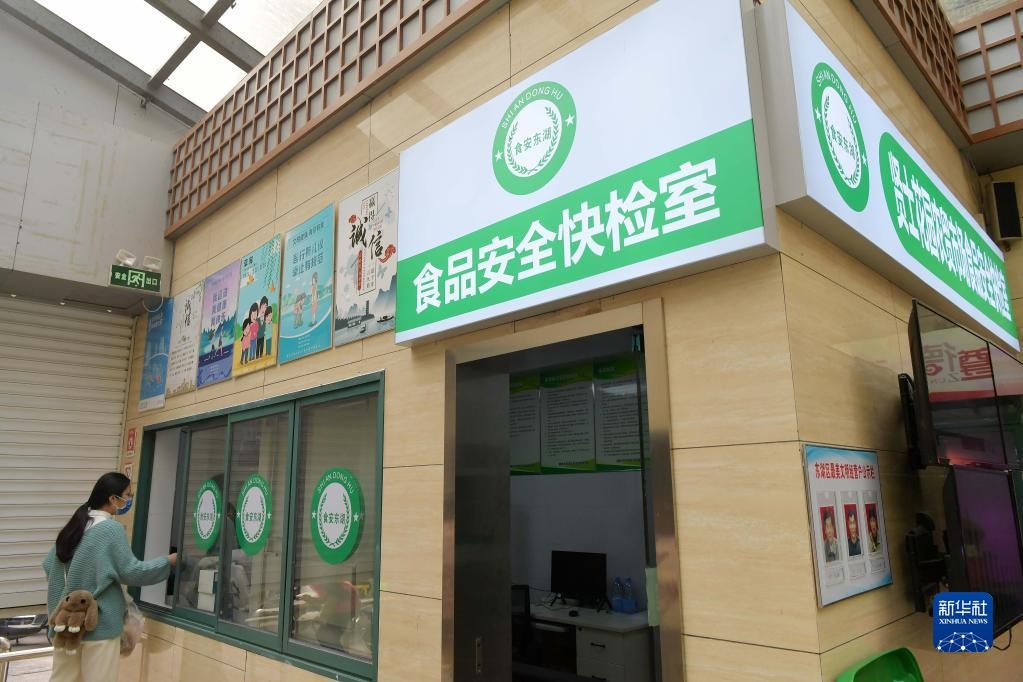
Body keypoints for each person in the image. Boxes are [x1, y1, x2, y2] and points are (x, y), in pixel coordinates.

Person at [43, 472, 176, 682]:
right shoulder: (110, 529)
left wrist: (70, 596)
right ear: (113, 498)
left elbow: (49, 565)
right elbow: (132, 571)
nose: (129, 500)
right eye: (128, 495)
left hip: (66, 626)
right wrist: (168, 562)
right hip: (99, 624)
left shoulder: (75, 526)